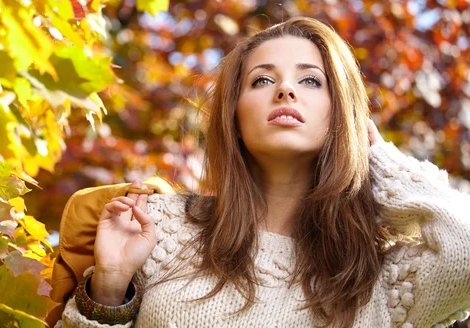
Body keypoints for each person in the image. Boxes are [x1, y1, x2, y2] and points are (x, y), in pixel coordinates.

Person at [55, 17, 470, 328]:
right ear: (234, 117)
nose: (284, 90)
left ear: (342, 112)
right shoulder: (157, 227)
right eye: (262, 80)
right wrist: (109, 286)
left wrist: (378, 158)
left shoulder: (383, 279)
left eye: (311, 81)